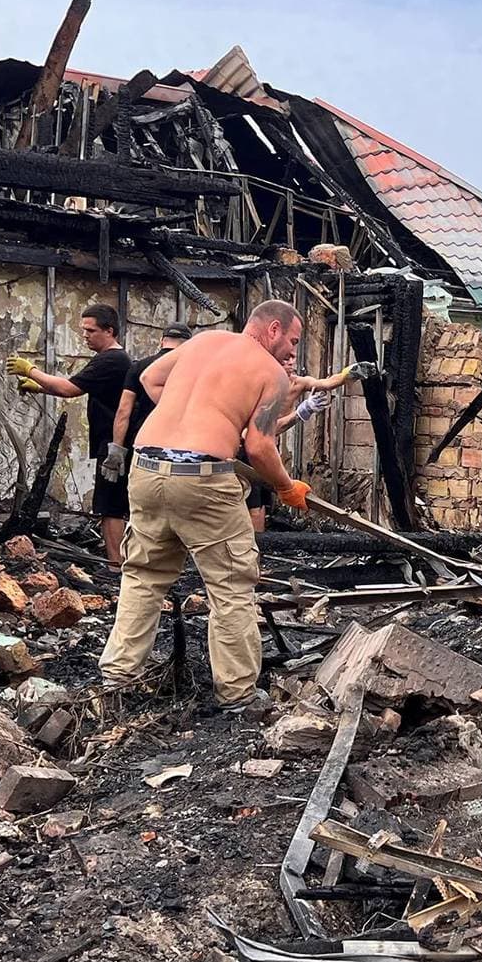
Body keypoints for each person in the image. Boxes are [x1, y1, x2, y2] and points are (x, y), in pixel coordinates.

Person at [97, 300, 310, 712]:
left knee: (143, 575)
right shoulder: (271, 374)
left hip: (146, 467)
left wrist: (189, 413)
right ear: (273, 329)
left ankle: (117, 677)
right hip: (203, 480)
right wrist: (286, 488)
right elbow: (260, 447)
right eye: (292, 341)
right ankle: (236, 695)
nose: (291, 353)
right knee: (230, 585)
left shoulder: (203, 341)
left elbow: (148, 378)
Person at [7, 303, 132, 567]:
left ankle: (116, 567)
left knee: (111, 507)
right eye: (83, 330)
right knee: (111, 505)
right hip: (110, 443)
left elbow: (69, 389)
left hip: (115, 447)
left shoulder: (112, 360)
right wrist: (40, 388)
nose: (85, 335)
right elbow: (78, 388)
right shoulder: (111, 360)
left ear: (109, 331)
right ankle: (118, 564)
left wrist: (30, 371)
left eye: (91, 330)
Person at [242, 360, 380, 531]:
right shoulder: (263, 387)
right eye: (285, 359)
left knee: (262, 504)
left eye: (292, 358)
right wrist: (301, 412)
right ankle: (250, 548)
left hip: (268, 445)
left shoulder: (297, 383)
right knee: (253, 505)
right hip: (247, 449)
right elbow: (258, 431)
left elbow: (326, 383)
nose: (290, 362)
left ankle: (260, 550)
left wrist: (349, 373)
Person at [105, 322, 194, 482]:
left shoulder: (139, 367)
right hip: (181, 447)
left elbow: (123, 412)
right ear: (187, 344)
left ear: (162, 341)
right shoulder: (194, 369)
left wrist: (116, 450)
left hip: (143, 443)